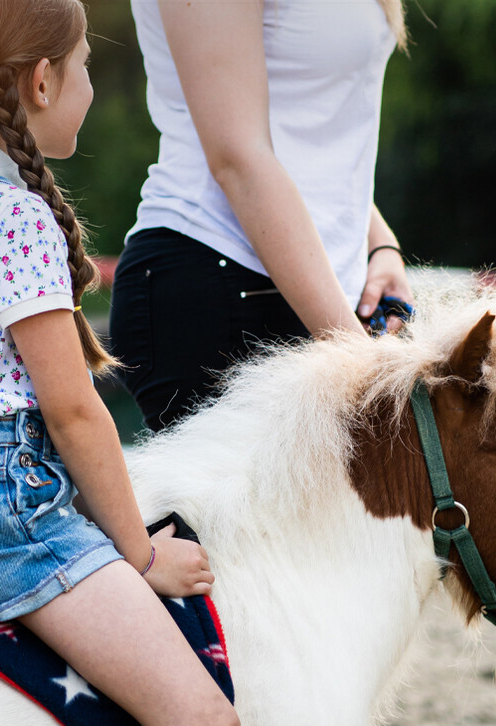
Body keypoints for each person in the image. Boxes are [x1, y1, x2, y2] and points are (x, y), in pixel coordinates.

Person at [0, 0, 238, 722]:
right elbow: (74, 411)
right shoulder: (8, 211)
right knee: (203, 717)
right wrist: (142, 558)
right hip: (5, 518)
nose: (88, 85)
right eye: (84, 66)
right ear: (42, 83)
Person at [109, 0, 415, 432]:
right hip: (224, 277)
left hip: (313, 292)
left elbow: (310, 140)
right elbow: (237, 157)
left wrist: (379, 244)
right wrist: (361, 362)